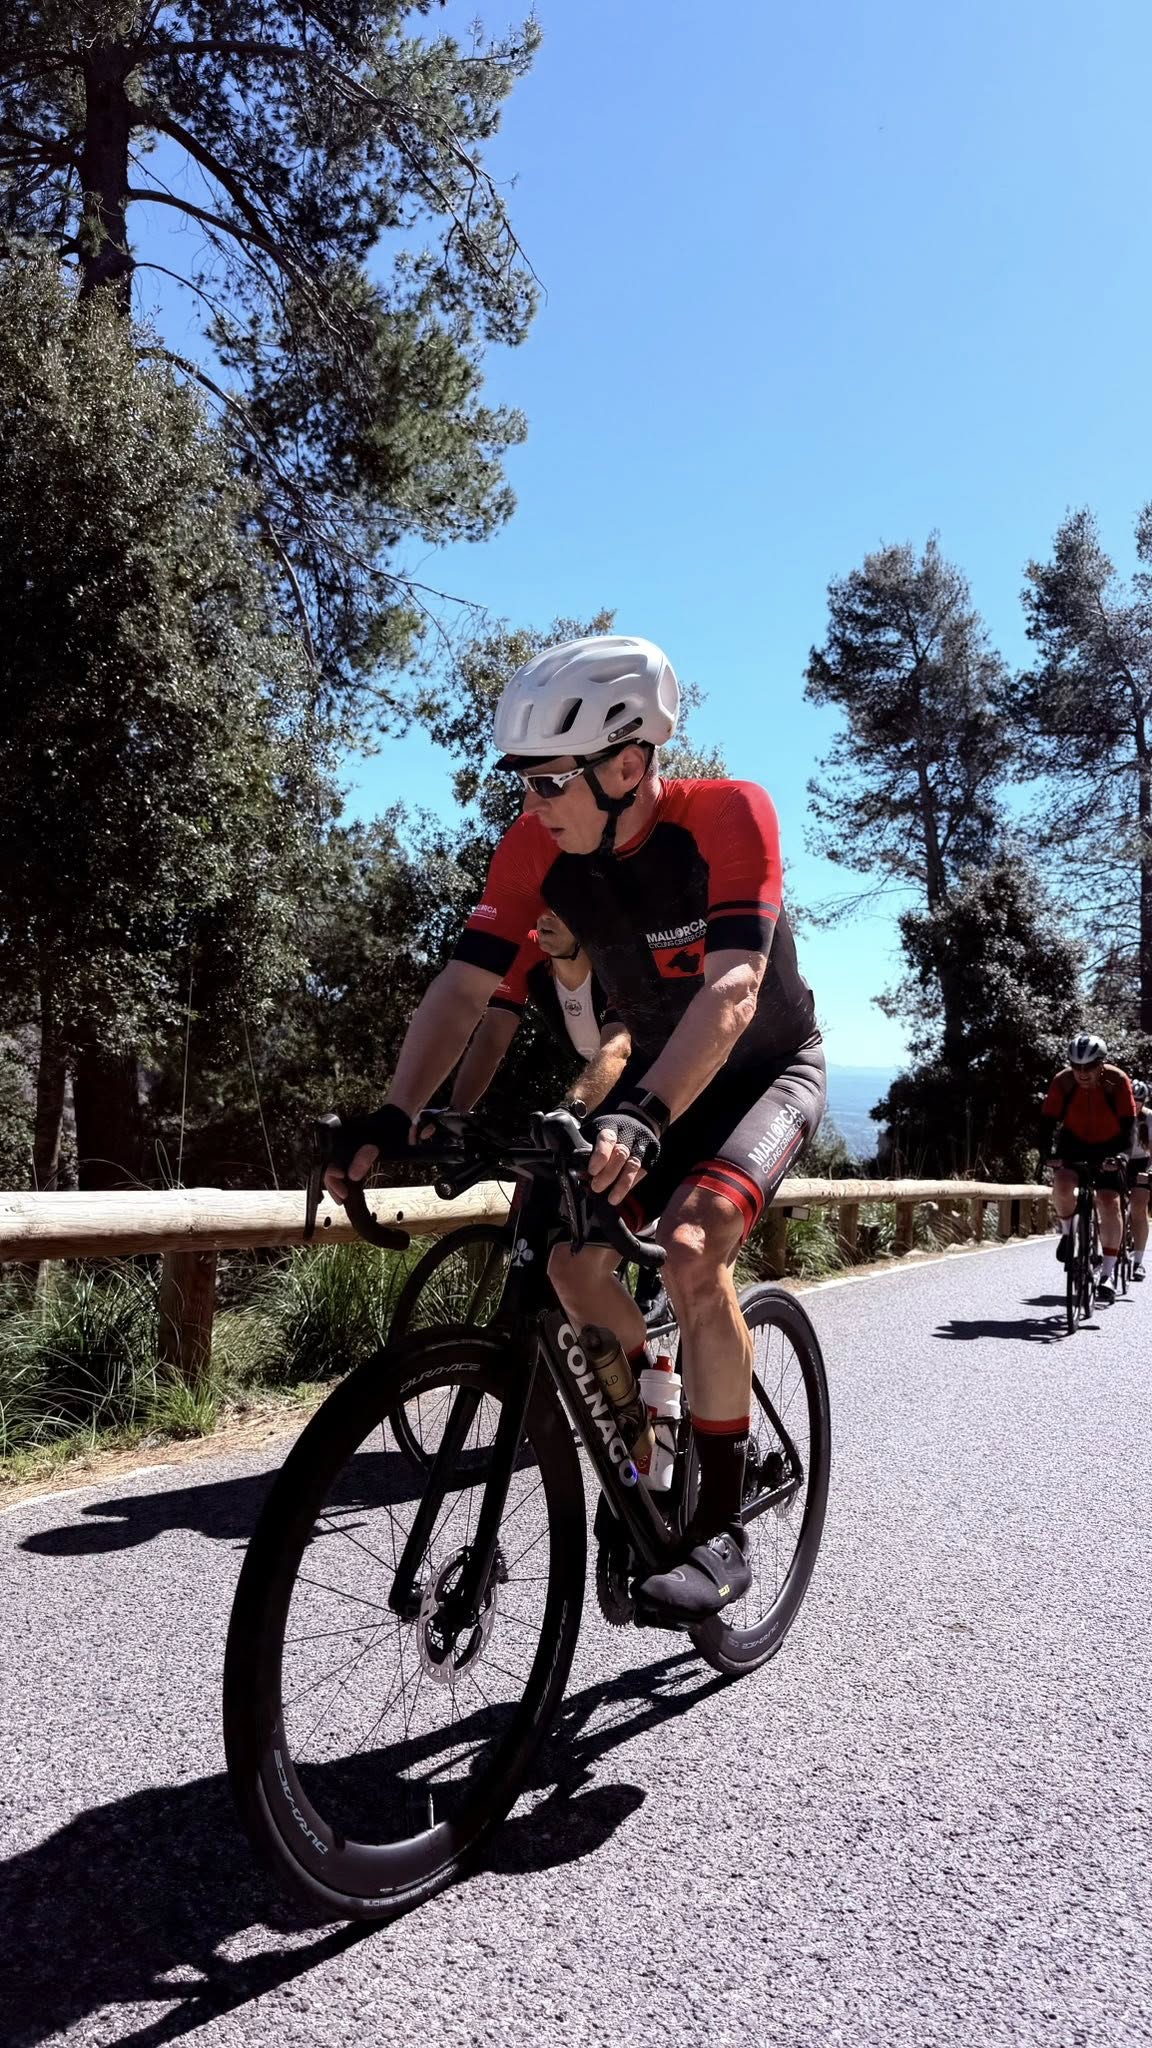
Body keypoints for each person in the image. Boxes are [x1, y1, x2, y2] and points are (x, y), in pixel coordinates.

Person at [325, 633, 825, 1620]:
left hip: (764, 1072)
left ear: (628, 765)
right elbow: (466, 986)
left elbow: (735, 985)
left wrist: (642, 1111)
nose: (532, 802)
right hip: (657, 1083)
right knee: (570, 1264)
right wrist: (397, 1111)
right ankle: (659, 1436)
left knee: (692, 1248)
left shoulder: (729, 815)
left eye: (550, 780)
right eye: (523, 779)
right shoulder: (535, 849)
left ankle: (718, 1526)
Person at [451, 908, 630, 1113]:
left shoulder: (617, 954)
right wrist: (455, 1112)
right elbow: (493, 1037)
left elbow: (619, 1047)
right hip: (605, 1087)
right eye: (542, 903)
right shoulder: (526, 950)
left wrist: (571, 1109)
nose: (545, 915)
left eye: (558, 907)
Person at [1040, 1035, 1135, 1305]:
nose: (1082, 1072)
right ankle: (1067, 1233)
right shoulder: (1063, 1081)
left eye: (1089, 1066)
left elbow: (1129, 1126)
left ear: (1101, 1064)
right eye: (1076, 1066)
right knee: (1062, 1183)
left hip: (1110, 1144)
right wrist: (1047, 1154)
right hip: (1074, 1142)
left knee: (1108, 1201)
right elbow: (1047, 1122)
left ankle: (1107, 1274)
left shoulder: (1118, 1080)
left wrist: (1122, 1156)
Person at [1128, 1078, 1150, 1283]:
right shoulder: (1116, 1114)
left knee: (1139, 1207)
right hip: (1118, 1161)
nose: (1135, 1103)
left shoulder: (1149, 1119)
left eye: (1139, 1100)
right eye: (1132, 1099)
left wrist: (1150, 1172)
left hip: (1142, 1163)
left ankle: (1138, 1262)